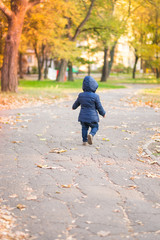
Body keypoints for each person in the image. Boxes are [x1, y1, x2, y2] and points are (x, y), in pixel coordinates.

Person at [72, 76, 106, 145]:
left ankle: (84, 141)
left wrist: (73, 107)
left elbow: (76, 103)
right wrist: (103, 113)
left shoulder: (81, 95)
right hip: (92, 117)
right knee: (95, 127)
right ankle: (91, 134)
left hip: (83, 117)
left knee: (84, 128)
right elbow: (99, 106)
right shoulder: (95, 96)